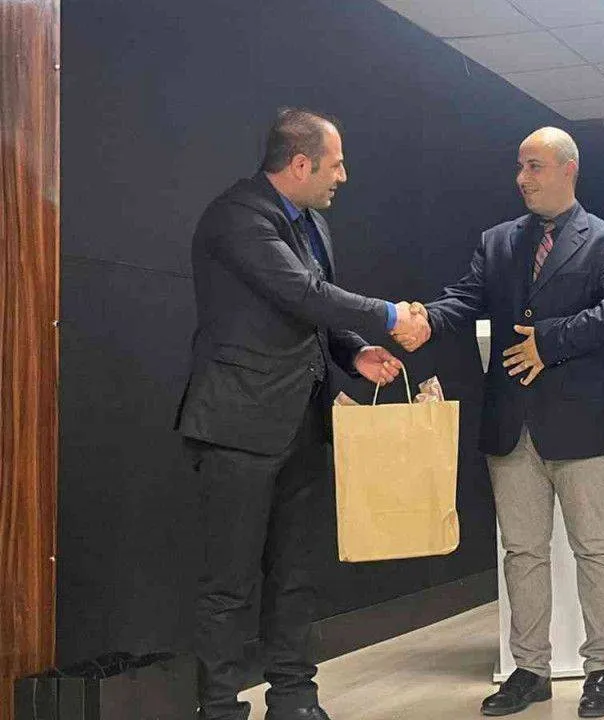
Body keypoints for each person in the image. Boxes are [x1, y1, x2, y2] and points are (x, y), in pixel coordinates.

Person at [175, 108, 428, 720]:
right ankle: (220, 707)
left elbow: (314, 315)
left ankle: (294, 698)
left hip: (301, 421)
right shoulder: (239, 216)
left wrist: (355, 352)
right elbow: (302, 292)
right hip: (237, 424)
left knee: (295, 575)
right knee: (229, 582)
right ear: (299, 164)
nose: (343, 175)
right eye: (335, 164)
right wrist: (390, 316)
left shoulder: (313, 225)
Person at [418, 127, 604, 718]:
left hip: (581, 426)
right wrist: (421, 320)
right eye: (520, 166)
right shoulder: (497, 242)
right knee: (522, 553)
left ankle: (602, 669)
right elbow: (463, 299)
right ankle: (530, 670)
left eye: (535, 166)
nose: (522, 178)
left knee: (596, 549)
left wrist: (550, 340)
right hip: (511, 424)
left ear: (569, 169)